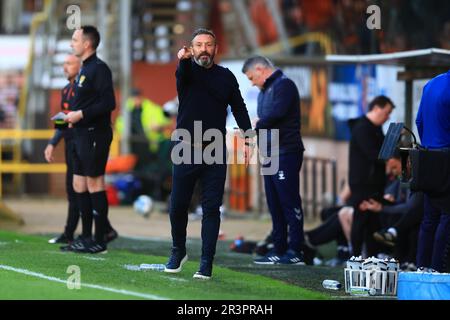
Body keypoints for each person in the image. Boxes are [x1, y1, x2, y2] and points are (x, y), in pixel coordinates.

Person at [164, 28, 253, 279]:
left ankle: (206, 262)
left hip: (214, 150)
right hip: (185, 148)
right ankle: (178, 250)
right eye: (199, 45)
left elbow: (239, 108)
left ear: (216, 48)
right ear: (192, 49)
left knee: (211, 209)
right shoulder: (186, 71)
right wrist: (182, 60)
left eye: (209, 44)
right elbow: (182, 75)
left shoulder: (226, 77)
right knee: (178, 205)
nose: (204, 49)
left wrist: (249, 140)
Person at [242, 55, 306, 265]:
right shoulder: (263, 92)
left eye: (252, 77)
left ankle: (296, 249)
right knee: (274, 204)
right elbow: (264, 122)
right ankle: (279, 249)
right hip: (269, 153)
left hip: (286, 151)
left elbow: (276, 114)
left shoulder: (284, 85)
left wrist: (257, 124)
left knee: (289, 201)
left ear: (260, 69)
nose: (251, 82)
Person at [64, 25, 117, 254]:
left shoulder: (99, 69)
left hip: (95, 134)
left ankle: (100, 239)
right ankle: (85, 237)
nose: (71, 43)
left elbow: (108, 103)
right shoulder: (85, 69)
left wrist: (81, 114)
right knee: (79, 184)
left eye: (75, 39)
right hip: (79, 135)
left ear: (87, 44)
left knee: (95, 183)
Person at [348, 95, 395, 258]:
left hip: (374, 185)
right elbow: (375, 155)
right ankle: (354, 256)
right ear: (376, 108)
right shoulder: (362, 128)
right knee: (360, 221)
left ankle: (372, 258)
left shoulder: (375, 129)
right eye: (387, 112)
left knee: (373, 224)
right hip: (363, 185)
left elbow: (384, 151)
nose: (388, 117)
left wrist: (394, 136)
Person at [415, 70, 450, 272]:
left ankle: (421, 267)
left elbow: (419, 122)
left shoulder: (430, 84)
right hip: (446, 158)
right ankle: (437, 269)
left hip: (428, 157)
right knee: (446, 216)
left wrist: (429, 146)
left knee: (429, 218)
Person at [45, 54, 81, 245]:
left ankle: (98, 232)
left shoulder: (83, 89)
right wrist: (52, 143)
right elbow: (62, 121)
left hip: (82, 145)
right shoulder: (66, 90)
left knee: (81, 189)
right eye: (64, 64)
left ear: (79, 65)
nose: (65, 67)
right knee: (72, 189)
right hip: (70, 144)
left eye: (69, 63)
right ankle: (69, 232)